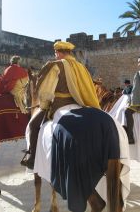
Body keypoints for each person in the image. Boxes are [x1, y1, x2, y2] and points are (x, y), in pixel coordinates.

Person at [21, 41, 100, 169]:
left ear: (58, 52)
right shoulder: (81, 67)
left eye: (55, 53)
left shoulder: (55, 65)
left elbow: (45, 92)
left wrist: (44, 105)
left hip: (59, 104)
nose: (55, 56)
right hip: (80, 103)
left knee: (33, 125)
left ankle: (32, 158)